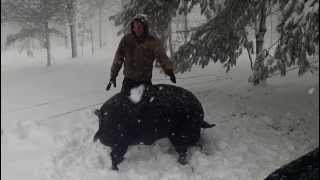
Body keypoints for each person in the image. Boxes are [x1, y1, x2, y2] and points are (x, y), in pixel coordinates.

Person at [106, 14, 176, 94]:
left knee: (146, 105)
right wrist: (113, 76)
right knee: (126, 105)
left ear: (144, 28)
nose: (136, 29)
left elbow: (162, 57)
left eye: (139, 27)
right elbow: (118, 58)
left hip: (145, 82)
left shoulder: (152, 41)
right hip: (128, 82)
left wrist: (169, 71)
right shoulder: (127, 40)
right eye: (134, 27)